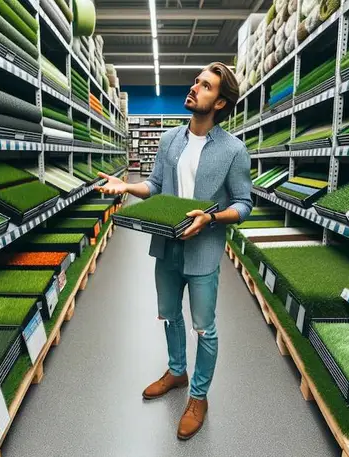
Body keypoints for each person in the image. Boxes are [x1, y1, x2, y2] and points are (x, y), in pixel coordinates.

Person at [96, 62, 252, 440]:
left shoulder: (234, 150)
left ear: (220, 102)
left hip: (203, 250)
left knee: (204, 327)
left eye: (206, 86)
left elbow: (245, 204)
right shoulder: (169, 140)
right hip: (166, 245)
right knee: (168, 315)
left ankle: (199, 397)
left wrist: (211, 219)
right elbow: (154, 184)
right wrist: (126, 188)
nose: (195, 87)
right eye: (196, 81)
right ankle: (177, 371)